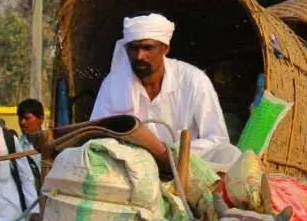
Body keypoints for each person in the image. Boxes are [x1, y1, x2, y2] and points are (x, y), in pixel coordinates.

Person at [89, 13, 241, 172]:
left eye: (148, 47)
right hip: (134, 169)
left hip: (187, 166)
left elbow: (217, 139)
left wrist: (169, 153)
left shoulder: (193, 80)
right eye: (133, 48)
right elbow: (97, 136)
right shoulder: (114, 84)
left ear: (165, 48)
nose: (140, 56)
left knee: (230, 154)